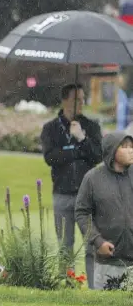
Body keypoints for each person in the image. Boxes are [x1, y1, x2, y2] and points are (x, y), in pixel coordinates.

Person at [40, 83, 102, 288]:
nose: (81, 103)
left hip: (88, 196)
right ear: (65, 100)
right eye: (77, 99)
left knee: (91, 244)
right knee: (65, 246)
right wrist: (75, 151)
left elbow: (96, 156)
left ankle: (95, 286)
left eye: (83, 99)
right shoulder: (50, 128)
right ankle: (67, 285)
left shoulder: (91, 126)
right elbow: (51, 157)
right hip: (62, 193)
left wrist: (81, 138)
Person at [75, 131, 133, 290]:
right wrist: (97, 241)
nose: (131, 150)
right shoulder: (93, 178)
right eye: (125, 147)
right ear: (112, 151)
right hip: (107, 263)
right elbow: (81, 213)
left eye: (131, 147)